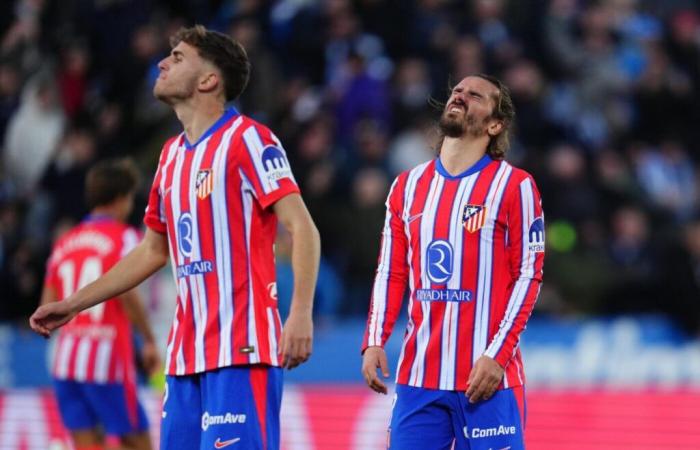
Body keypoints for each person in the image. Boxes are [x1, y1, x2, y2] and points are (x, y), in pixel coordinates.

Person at [30, 25, 320, 450]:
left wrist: (299, 314)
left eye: (179, 57)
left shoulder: (249, 140)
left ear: (208, 80)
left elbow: (303, 228)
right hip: (185, 357)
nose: (162, 63)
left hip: (241, 349)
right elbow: (151, 250)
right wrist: (73, 304)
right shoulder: (170, 157)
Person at [361, 74, 545, 450]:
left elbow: (528, 276)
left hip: (488, 378)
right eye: (457, 91)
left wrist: (497, 356)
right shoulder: (406, 187)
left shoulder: (515, 186)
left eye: (475, 95)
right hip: (419, 380)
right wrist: (375, 338)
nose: (460, 95)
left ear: (495, 125)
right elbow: (391, 271)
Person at [40, 159, 160, 450]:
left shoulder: (64, 242)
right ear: (121, 199)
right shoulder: (125, 237)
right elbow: (127, 295)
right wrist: (148, 341)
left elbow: (48, 303)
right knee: (138, 442)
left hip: (66, 360)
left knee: (88, 445)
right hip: (106, 360)